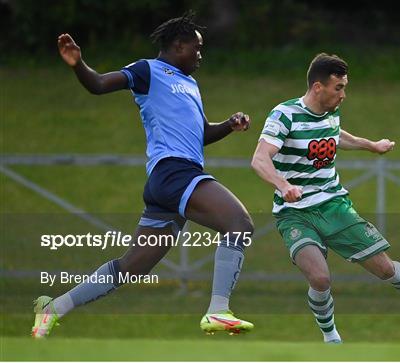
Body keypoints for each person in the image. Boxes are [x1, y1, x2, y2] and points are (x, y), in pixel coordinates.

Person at [32, 12, 254, 338]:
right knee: (240, 223)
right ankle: (218, 310)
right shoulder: (147, 70)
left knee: (132, 267)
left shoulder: (190, 83)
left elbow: (201, 134)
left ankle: (53, 308)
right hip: (174, 172)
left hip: (171, 181)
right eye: (197, 47)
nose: (200, 55)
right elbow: (98, 84)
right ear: (178, 45)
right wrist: (78, 64)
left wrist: (229, 125)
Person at [251, 53, 400, 344]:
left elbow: (336, 135)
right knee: (320, 278)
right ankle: (332, 339)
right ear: (318, 87)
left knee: (386, 268)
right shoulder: (285, 115)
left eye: (344, 87)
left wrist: (371, 145)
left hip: (334, 206)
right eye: (338, 87)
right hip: (295, 212)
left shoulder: (330, 113)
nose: (343, 95)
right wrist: (283, 184)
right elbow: (259, 159)